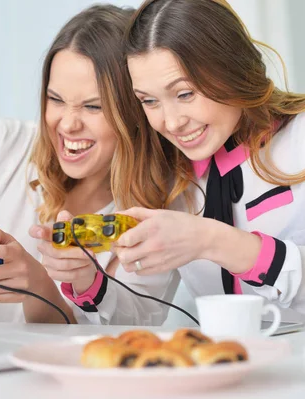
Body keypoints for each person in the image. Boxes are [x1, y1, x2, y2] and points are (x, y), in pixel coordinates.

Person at [0, 4, 179, 325]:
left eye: (93, 106)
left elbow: (110, 345)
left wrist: (39, 287)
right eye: (56, 99)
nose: (68, 124)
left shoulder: (161, 212)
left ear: (135, 112)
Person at [110, 0, 305, 316]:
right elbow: (140, 310)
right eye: (149, 101)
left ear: (231, 68)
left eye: (185, 94)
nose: (171, 123)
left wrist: (212, 240)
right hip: (224, 362)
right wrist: (85, 283)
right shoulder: (170, 178)